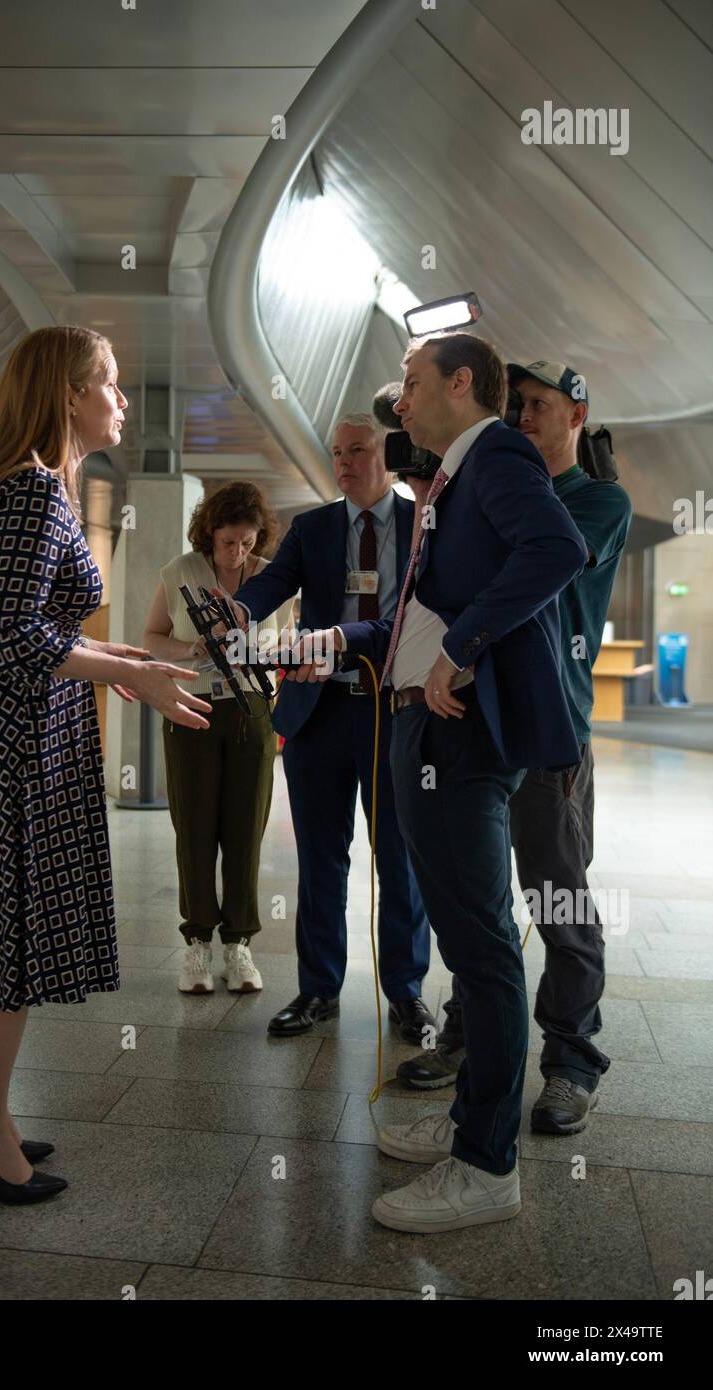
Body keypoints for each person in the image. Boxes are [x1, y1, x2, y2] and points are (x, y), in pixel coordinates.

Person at [291, 333, 587, 1232]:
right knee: (472, 944)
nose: (401, 404)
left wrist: (461, 652)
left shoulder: (494, 451)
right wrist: (343, 639)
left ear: (463, 384)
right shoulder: (450, 478)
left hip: (461, 738)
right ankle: (471, 1120)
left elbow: (558, 549)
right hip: (424, 722)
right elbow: (423, 610)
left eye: (414, 384)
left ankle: (487, 1164)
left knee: (484, 951)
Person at [0, 325, 210, 1206]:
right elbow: (10, 639)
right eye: (110, 383)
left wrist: (122, 662)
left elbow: (27, 627)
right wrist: (128, 672)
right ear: (70, 396)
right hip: (4, 744)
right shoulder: (37, 494)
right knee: (7, 939)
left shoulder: (29, 488)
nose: (122, 399)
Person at [400, 361, 632, 1137]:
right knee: (477, 901)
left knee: (557, 898)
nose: (525, 416)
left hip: (550, 732)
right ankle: (469, 1040)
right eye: (519, 405)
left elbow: (547, 561)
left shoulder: (596, 501)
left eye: (539, 405)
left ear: (577, 412)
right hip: (478, 721)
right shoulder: (487, 480)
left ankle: (570, 1062)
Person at [222, 414, 433, 1042]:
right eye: (337, 452)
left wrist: (341, 641)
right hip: (316, 714)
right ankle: (318, 989)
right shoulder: (312, 528)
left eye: (358, 450)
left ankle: (407, 993)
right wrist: (240, 607)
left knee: (400, 857)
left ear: (387, 457)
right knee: (319, 859)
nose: (344, 462)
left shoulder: (420, 523)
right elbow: (271, 585)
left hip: (392, 710)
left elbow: (407, 615)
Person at [143, 481, 294, 994]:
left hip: (252, 707)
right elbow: (151, 637)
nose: (237, 552)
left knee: (245, 829)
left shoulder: (273, 579)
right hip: (191, 705)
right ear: (210, 533)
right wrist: (191, 651)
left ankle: (239, 943)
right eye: (229, 541)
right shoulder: (181, 571)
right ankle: (197, 944)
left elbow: (284, 641)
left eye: (247, 542)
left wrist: (260, 648)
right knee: (195, 827)